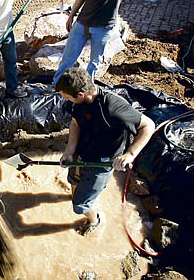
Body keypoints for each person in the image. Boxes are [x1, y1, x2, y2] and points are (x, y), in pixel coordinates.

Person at [55, 67, 155, 236]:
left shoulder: (112, 108)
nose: (66, 101)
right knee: (73, 180)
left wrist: (129, 154)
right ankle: (80, 196)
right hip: (81, 153)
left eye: (67, 97)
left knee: (79, 206)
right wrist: (69, 151)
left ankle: (94, 220)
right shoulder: (78, 104)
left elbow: (148, 125)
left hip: (101, 163)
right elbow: (75, 123)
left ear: (81, 94)